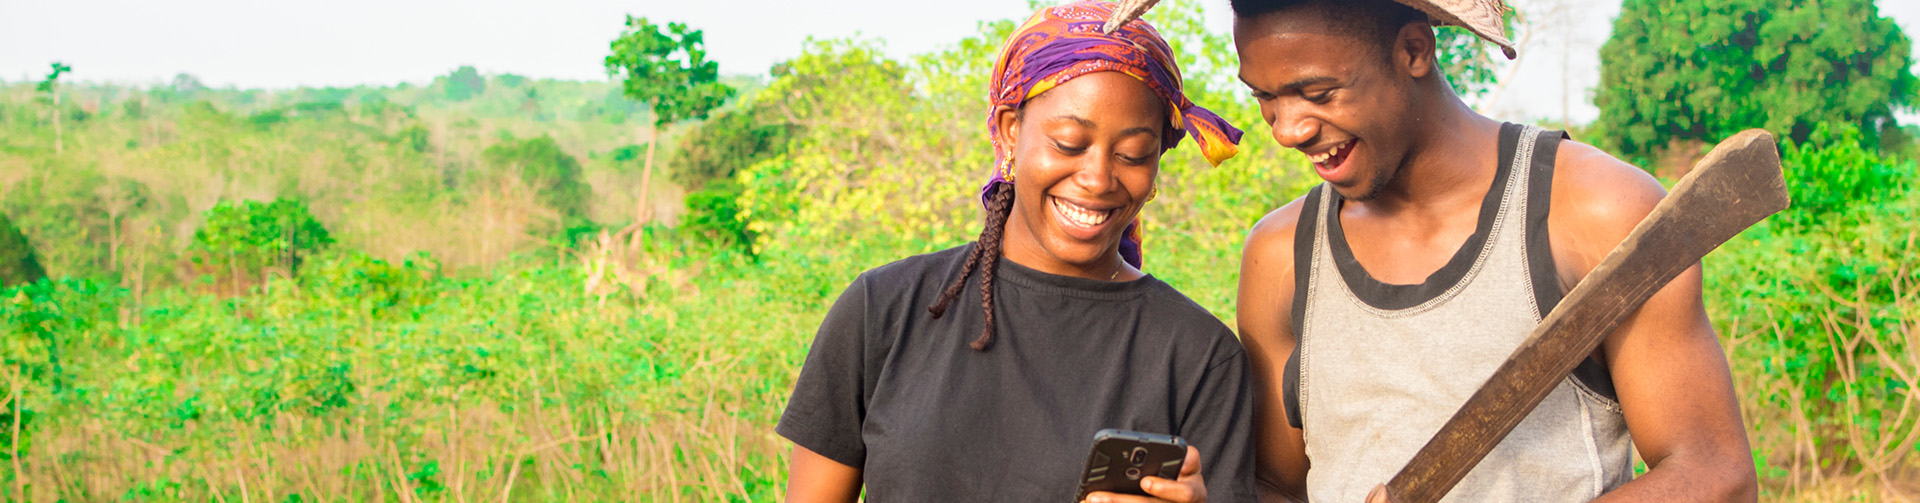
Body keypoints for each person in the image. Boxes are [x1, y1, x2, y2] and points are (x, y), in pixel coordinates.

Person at [1225, 0, 1760, 501]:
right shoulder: (1281, 255)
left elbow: (1713, 472)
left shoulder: (1591, 209)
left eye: (1319, 94)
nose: (1287, 131)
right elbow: (1275, 484)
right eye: (1265, 98)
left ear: (1414, 50)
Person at [778, 2, 1256, 502]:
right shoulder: (884, 308)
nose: (1097, 179)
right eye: (1070, 143)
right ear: (1010, 130)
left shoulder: (1200, 356)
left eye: (1133, 154)